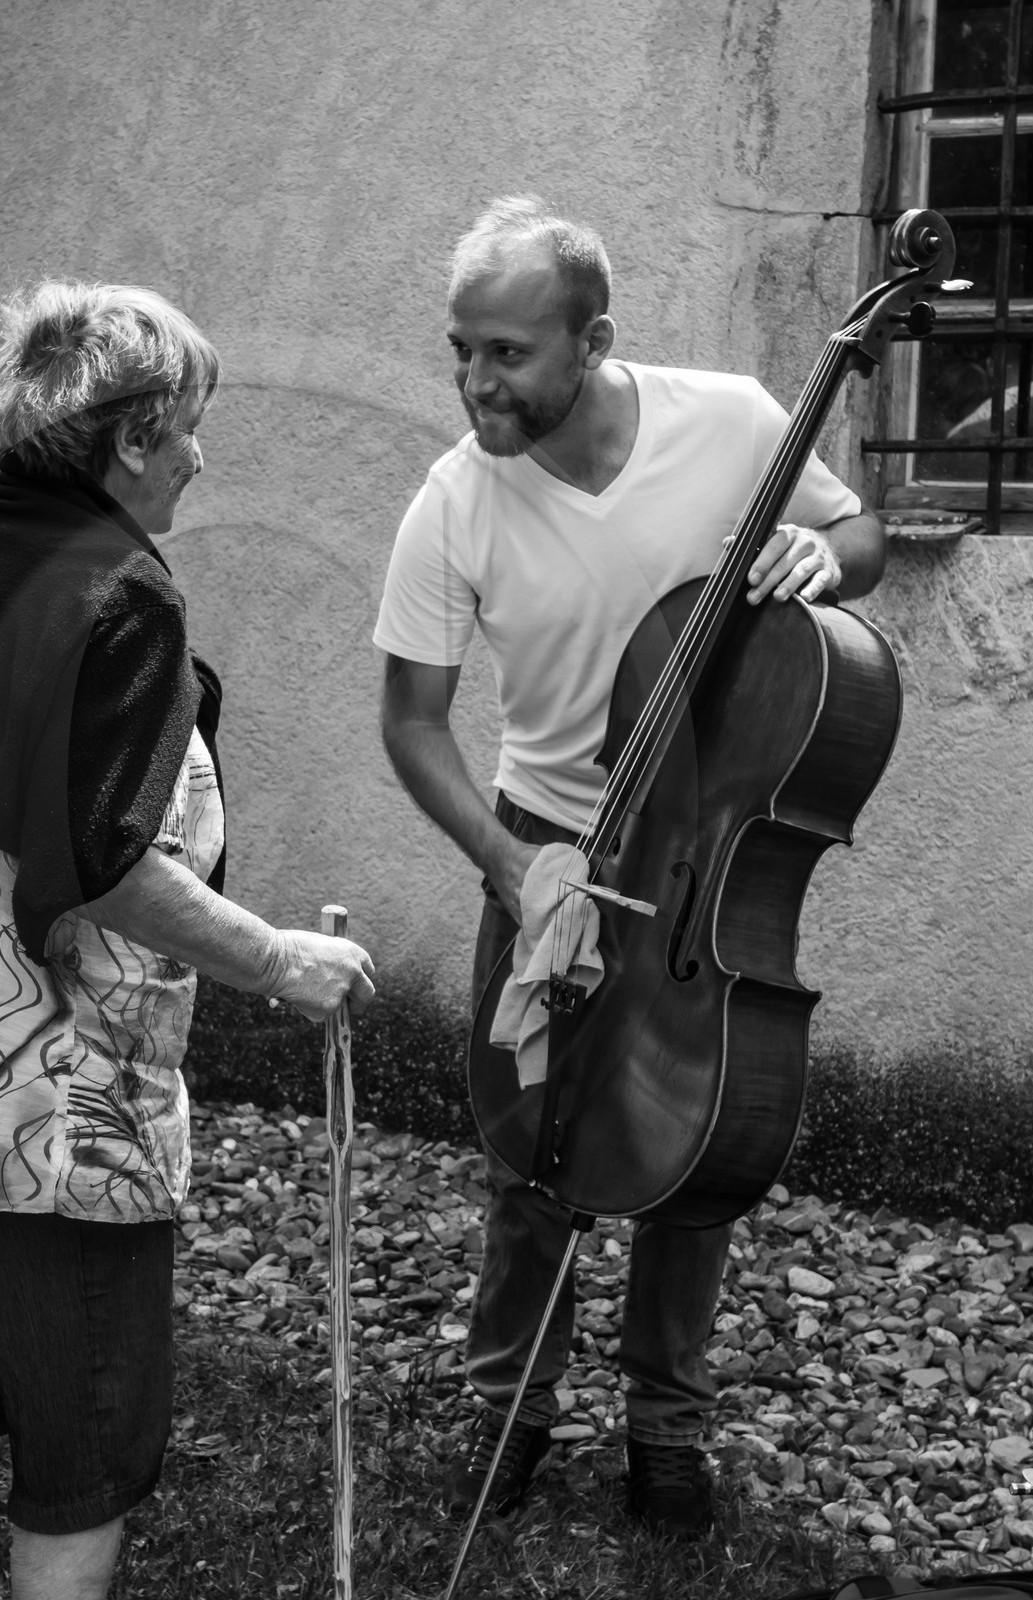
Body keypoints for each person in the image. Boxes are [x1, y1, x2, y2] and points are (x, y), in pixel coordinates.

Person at [0, 280, 375, 1600]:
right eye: (190, 427)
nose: (200, 456)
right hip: (36, 1107)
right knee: (85, 1435)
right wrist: (281, 963)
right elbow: (105, 862)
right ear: (133, 437)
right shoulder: (121, 598)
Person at [374, 196, 885, 1538]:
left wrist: (823, 556)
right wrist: (507, 865)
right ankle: (510, 1406)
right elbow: (412, 723)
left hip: (702, 850)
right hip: (544, 841)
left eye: (508, 354)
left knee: (694, 1137)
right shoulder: (455, 500)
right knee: (532, 1142)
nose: (477, 382)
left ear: (593, 341)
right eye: (463, 350)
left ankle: (668, 1427)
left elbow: (863, 540)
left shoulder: (732, 422)